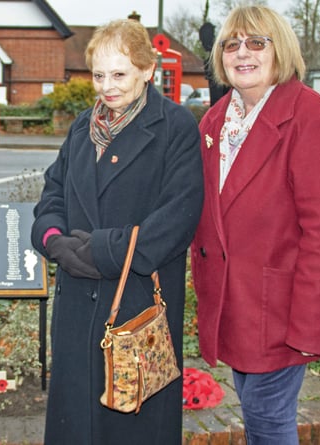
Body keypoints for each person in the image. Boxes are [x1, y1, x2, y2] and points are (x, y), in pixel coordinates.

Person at [31, 18, 204, 444]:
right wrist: (55, 242)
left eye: (120, 74)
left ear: (148, 70)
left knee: (131, 430)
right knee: (77, 423)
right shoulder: (80, 128)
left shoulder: (175, 128)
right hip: (77, 306)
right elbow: (51, 196)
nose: (107, 86)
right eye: (99, 75)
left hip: (136, 307)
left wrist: (101, 252)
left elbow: (178, 218)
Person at [190, 6, 320, 445]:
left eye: (256, 42)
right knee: (260, 418)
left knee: (268, 424)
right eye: (231, 44)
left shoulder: (311, 119)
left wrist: (308, 328)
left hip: (280, 313)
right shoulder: (215, 121)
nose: (242, 53)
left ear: (280, 50)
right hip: (236, 305)